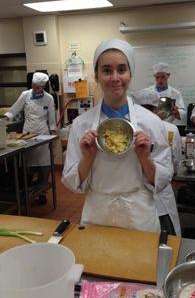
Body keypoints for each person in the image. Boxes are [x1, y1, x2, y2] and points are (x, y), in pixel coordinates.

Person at [62, 38, 173, 233]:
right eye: (106, 70)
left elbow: (163, 180)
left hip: (139, 216)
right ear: (96, 75)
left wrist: (145, 158)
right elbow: (72, 182)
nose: (115, 77)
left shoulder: (151, 122)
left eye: (121, 69)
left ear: (130, 74)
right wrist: (87, 158)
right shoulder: (82, 124)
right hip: (97, 214)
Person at [131, 89, 181, 235]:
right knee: (166, 239)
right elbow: (175, 160)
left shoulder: (128, 129)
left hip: (135, 197)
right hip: (161, 192)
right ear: (156, 108)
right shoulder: (170, 129)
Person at [5, 72, 56, 205]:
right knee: (27, 164)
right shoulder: (25, 95)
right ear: (32, 84)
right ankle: (27, 191)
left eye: (40, 87)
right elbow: (14, 110)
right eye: (35, 86)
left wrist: (53, 134)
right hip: (27, 134)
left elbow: (51, 119)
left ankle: (42, 192)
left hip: (43, 134)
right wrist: (5, 119)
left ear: (43, 87)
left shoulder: (49, 98)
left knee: (44, 165)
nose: (37, 89)